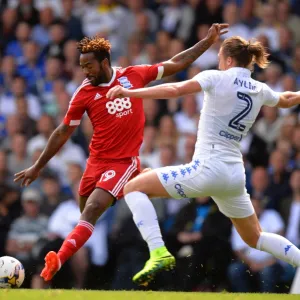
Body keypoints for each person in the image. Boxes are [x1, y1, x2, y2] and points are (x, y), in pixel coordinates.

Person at [14, 23, 229, 283]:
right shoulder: (84, 93)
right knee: (87, 215)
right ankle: (134, 184)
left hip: (122, 160)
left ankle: (58, 259)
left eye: (88, 65)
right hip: (95, 163)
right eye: (82, 66)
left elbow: (174, 63)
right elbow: (62, 131)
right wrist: (37, 166)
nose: (85, 71)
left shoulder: (133, 76)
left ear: (104, 62)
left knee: (92, 208)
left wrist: (207, 42)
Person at [106, 35, 300, 286]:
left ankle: (158, 252)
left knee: (132, 188)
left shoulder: (216, 78)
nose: (218, 61)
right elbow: (286, 99)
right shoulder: (259, 88)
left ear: (229, 60)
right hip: (234, 175)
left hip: (208, 169)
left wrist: (130, 92)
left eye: (220, 57)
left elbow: (175, 89)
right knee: (255, 238)